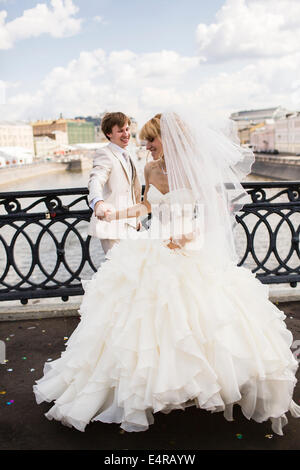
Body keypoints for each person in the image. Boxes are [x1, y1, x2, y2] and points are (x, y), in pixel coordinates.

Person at [33, 111, 300, 436]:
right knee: (143, 320)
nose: (146, 146)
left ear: (169, 139)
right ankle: (154, 387)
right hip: (155, 245)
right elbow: (147, 206)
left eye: (150, 139)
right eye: (143, 140)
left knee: (198, 321)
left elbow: (214, 211)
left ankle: (199, 384)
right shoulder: (149, 168)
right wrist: (116, 211)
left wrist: (188, 237)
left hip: (189, 249)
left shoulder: (192, 171)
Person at [87, 111, 141, 255]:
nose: (126, 134)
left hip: (129, 223)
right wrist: (98, 203)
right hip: (112, 225)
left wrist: (136, 218)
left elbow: (131, 190)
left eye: (127, 129)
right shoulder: (104, 154)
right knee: (120, 272)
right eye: (120, 131)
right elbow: (96, 179)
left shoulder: (127, 154)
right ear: (109, 134)